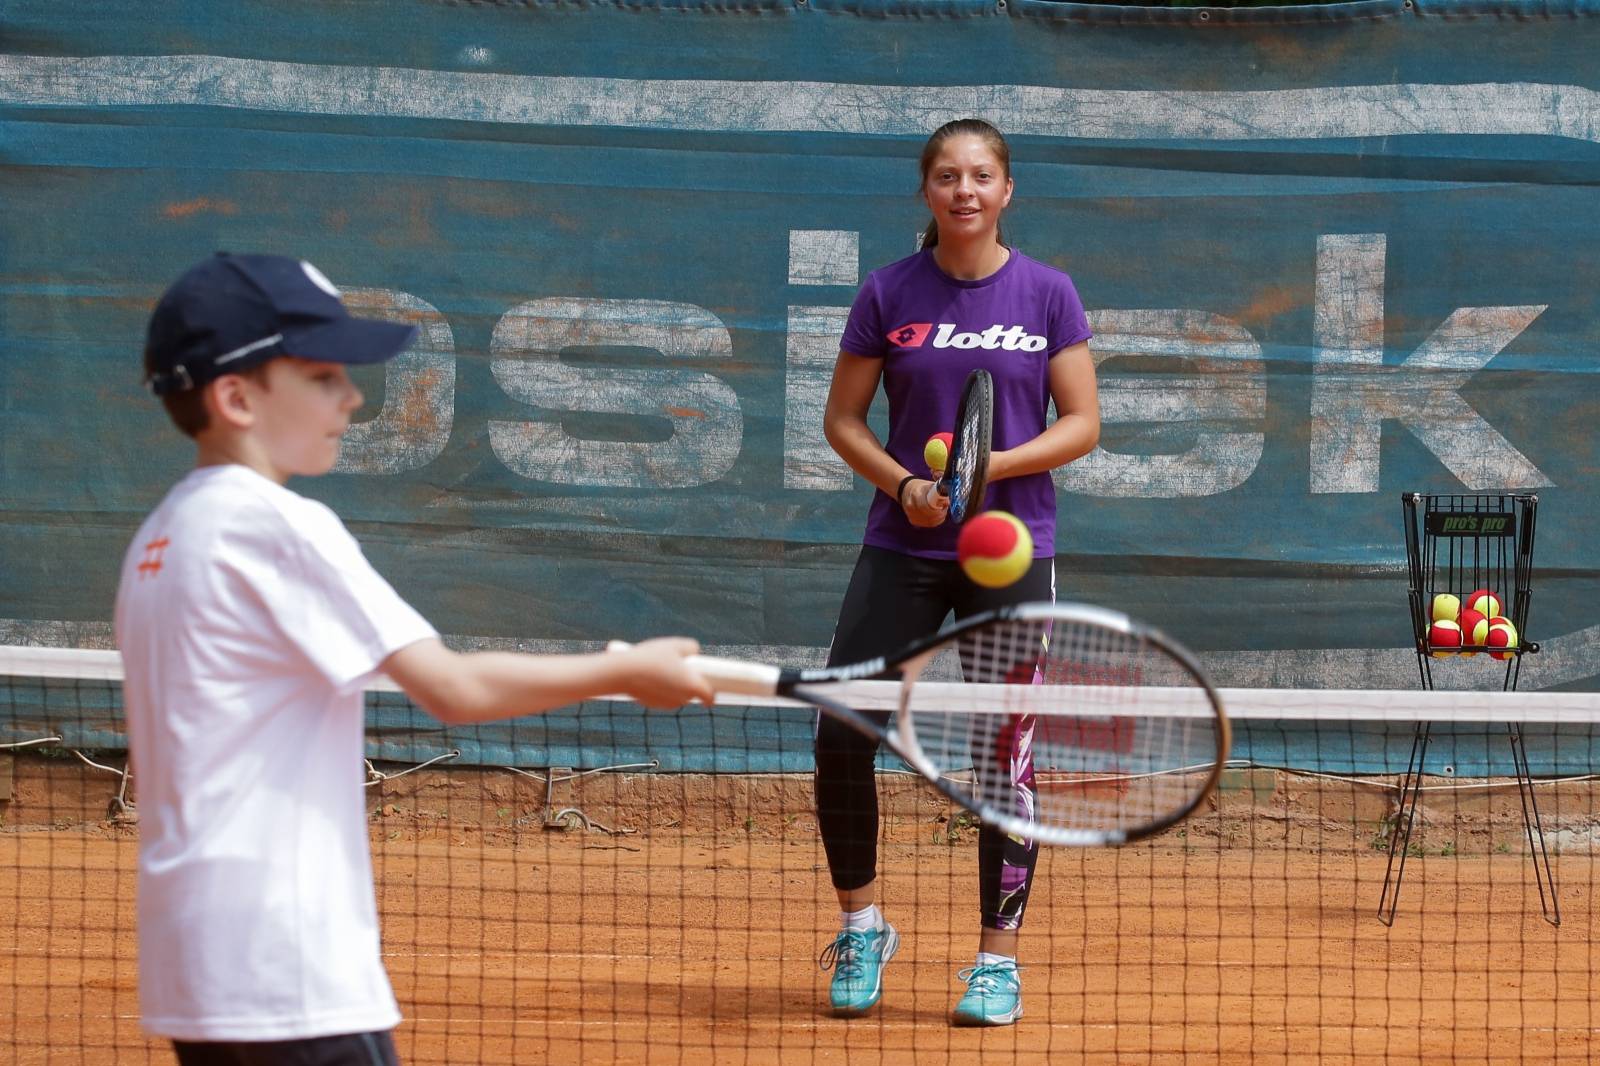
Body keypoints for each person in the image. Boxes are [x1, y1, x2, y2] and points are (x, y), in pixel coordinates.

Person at [114, 252, 714, 1066]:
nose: (352, 397)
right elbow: (453, 688)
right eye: (324, 375)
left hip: (197, 973)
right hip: (290, 973)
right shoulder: (279, 527)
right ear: (235, 396)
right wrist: (625, 671)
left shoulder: (161, 535)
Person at [815, 118, 1100, 1026]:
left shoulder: (1049, 292)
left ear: (1006, 190)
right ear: (927, 192)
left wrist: (991, 469)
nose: (964, 191)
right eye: (947, 176)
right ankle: (862, 926)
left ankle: (996, 962)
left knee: (1002, 757)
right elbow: (844, 421)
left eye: (981, 176)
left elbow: (1082, 423)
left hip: (1011, 551)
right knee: (840, 728)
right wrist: (905, 486)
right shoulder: (887, 291)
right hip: (904, 546)